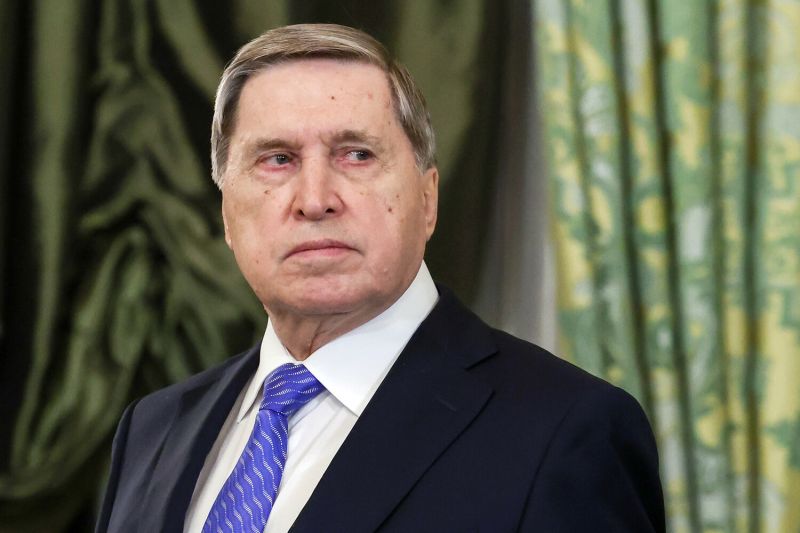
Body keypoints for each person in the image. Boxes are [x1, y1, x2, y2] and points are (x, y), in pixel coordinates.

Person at [96, 23, 665, 532]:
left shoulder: (565, 431)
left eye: (357, 155)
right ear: (227, 214)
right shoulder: (153, 429)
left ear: (428, 199)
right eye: (277, 159)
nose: (314, 199)